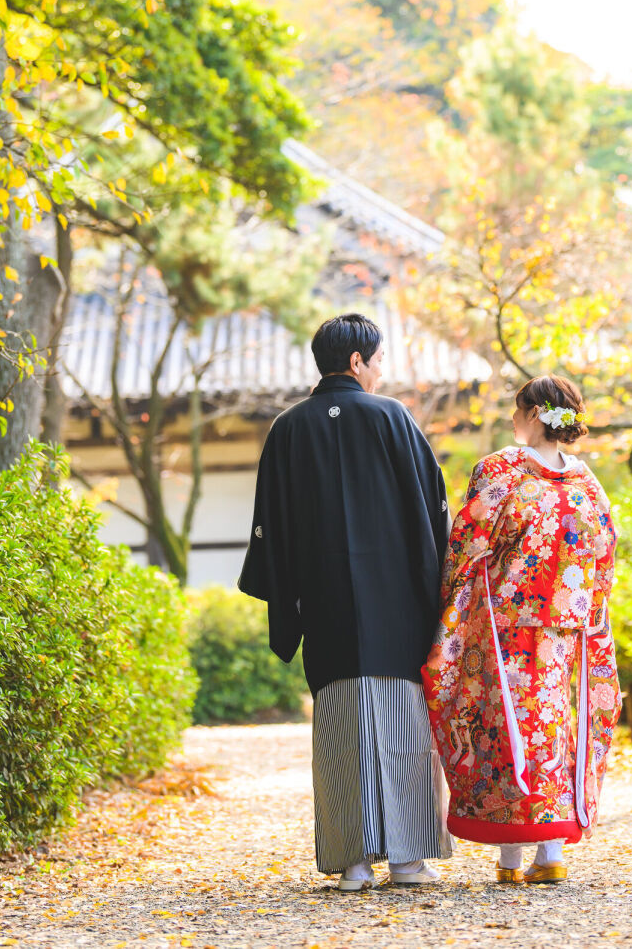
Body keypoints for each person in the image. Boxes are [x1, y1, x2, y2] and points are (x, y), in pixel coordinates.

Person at [238, 313, 452, 891]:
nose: (381, 370)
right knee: (403, 725)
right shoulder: (392, 417)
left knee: (339, 729)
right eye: (378, 360)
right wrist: (438, 586)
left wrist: (288, 600)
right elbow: (432, 508)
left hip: (325, 606)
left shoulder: (287, 428)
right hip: (397, 605)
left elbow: (270, 526)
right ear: (357, 362)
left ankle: (352, 863)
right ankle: (407, 860)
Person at [423, 374, 621, 885]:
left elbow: (465, 542)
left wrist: (448, 600)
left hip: (504, 629)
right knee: (554, 729)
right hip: (565, 632)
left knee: (503, 730)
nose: (513, 418)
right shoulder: (588, 486)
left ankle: (511, 859)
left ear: (535, 413)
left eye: (518, 409)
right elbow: (604, 556)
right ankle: (549, 852)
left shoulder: (502, 470)